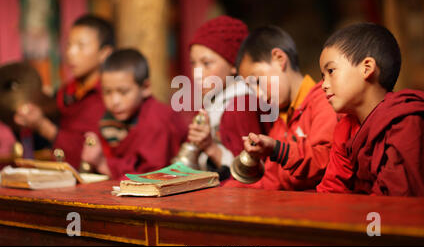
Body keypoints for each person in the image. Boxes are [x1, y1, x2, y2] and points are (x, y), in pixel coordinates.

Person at [316, 22, 424, 197]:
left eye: (331, 71)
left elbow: (396, 203)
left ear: (367, 68)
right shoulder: (345, 128)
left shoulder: (406, 122)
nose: (323, 85)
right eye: (322, 76)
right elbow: (332, 189)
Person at [224, 25, 337, 190]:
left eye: (257, 81)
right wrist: (225, 189)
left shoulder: (323, 101)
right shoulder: (281, 119)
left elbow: (324, 161)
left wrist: (277, 149)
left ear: (279, 58)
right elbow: (272, 179)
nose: (258, 94)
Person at [14, 14, 114, 169]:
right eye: (69, 45)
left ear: (104, 53)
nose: (70, 53)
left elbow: (90, 150)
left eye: (81, 46)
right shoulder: (65, 92)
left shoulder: (110, 95)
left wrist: (43, 126)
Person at [80, 49, 188, 179]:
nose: (114, 101)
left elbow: (153, 176)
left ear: (146, 88)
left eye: (123, 92)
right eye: (107, 92)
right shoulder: (109, 117)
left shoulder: (157, 120)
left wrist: (103, 164)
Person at [186, 15, 268, 181]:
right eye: (193, 63)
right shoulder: (215, 100)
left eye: (206, 63)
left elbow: (252, 171)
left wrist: (210, 147)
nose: (197, 74)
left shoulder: (242, 104)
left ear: (233, 65)